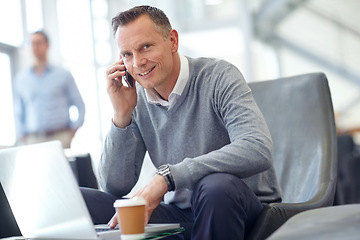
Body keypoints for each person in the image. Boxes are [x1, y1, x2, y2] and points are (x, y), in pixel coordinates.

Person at [81, 5, 281, 240]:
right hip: (180, 214)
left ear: (173, 41)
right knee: (82, 202)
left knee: (215, 187)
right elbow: (115, 187)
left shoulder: (218, 76)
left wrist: (169, 177)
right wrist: (121, 116)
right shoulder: (136, 98)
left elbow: (257, 147)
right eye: (127, 54)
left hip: (240, 208)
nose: (137, 63)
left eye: (146, 47)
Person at [14, 30, 85, 149]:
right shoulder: (21, 79)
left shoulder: (63, 75)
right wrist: (21, 134)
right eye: (31, 43)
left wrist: (72, 131)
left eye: (38, 43)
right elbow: (19, 111)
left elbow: (80, 105)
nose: (34, 47)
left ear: (47, 45)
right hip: (32, 140)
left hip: (60, 137)